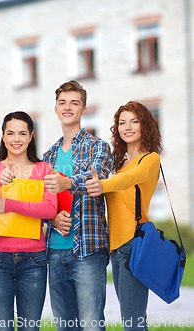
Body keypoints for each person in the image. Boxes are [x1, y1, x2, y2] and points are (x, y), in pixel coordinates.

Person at [43, 80, 113, 331]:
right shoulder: (48, 156)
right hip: (54, 250)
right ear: (56, 109)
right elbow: (40, 201)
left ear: (84, 109)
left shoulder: (99, 147)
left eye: (74, 102)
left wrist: (67, 182)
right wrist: (50, 220)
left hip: (88, 251)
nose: (67, 107)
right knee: (65, 326)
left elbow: (98, 176)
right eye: (62, 102)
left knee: (91, 325)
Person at [85, 101, 161, 331]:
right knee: (132, 319)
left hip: (133, 244)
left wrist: (103, 184)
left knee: (133, 322)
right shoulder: (118, 163)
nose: (127, 127)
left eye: (134, 121)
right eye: (122, 122)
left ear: (144, 125)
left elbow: (129, 179)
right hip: (116, 247)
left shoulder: (149, 159)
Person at [0, 111, 57, 331]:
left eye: (22, 133)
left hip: (34, 260)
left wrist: (11, 205)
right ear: (3, 137)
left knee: (30, 328)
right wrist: (0, 177)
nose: (16, 139)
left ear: (31, 136)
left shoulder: (44, 170)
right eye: (11, 133)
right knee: (2, 328)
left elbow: (49, 209)